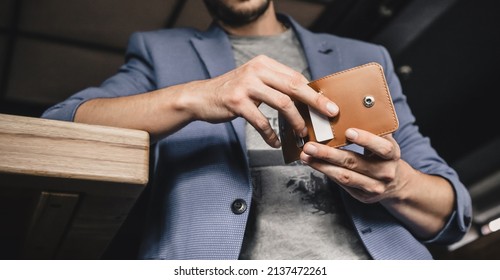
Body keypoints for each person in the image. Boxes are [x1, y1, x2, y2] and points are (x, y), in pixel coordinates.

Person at [41, 0, 471, 260]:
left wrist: (397, 185)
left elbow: (452, 213)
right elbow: (59, 125)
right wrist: (196, 97)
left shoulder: (363, 55)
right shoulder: (161, 52)